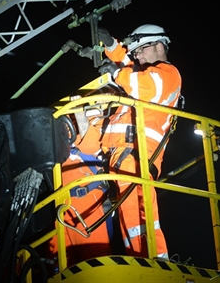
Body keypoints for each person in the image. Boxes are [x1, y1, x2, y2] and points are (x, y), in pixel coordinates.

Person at [97, 24, 182, 260]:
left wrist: (115, 73)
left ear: (158, 45)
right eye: (135, 53)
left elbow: (140, 84)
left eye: (141, 50)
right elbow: (127, 65)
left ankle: (155, 262)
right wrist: (111, 45)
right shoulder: (145, 72)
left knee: (139, 216)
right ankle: (139, 259)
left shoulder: (167, 73)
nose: (138, 56)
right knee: (130, 216)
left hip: (139, 155)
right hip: (124, 154)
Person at [47, 112, 112, 269]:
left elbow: (94, 144)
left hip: (85, 201)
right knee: (59, 267)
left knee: (95, 265)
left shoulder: (92, 120)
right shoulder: (52, 130)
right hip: (58, 207)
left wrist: (79, 115)